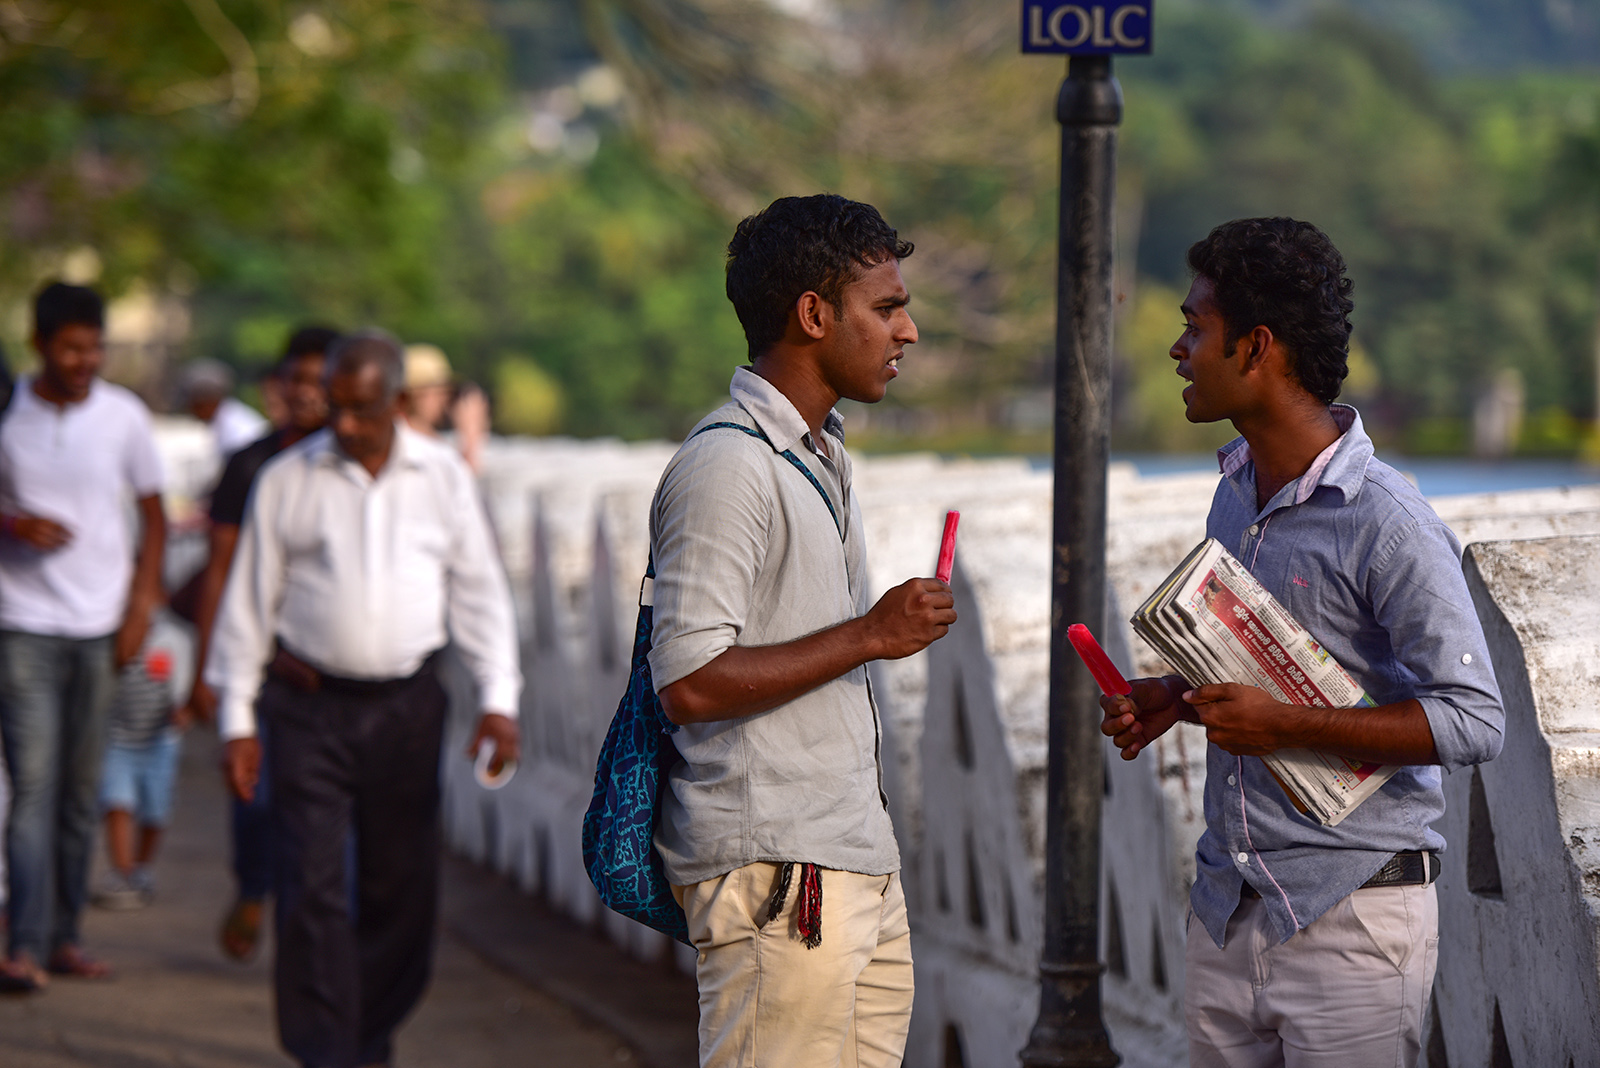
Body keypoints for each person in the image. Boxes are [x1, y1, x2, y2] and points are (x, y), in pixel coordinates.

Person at [1100, 217, 1505, 1067]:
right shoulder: (1236, 490)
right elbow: (1255, 656)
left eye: (1194, 327)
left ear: (1255, 348)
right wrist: (1171, 698)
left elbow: (1474, 720)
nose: (1178, 348)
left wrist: (1282, 725)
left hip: (1353, 915)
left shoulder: (1387, 520)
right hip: (1229, 902)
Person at [647, 194, 955, 1068]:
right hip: (780, 871)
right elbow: (691, 680)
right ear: (814, 316)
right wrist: (869, 634)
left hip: (844, 852)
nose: (909, 332)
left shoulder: (817, 452)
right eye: (887, 308)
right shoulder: (729, 463)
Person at [207, 330, 521, 1068]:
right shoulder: (288, 478)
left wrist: (498, 700)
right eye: (334, 408)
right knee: (310, 889)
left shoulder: (443, 476)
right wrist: (235, 721)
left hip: (407, 708)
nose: (343, 425)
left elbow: (480, 593)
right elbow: (249, 605)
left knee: (398, 888)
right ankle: (327, 1051)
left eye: (360, 409)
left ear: (398, 402)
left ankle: (367, 1033)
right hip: (308, 709)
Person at [0, 281, 166, 990]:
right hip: (23, 623)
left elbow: (156, 516)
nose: (85, 360)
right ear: (40, 344)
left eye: (95, 347)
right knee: (32, 786)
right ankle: (23, 943)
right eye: (71, 347)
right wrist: (10, 525)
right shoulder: (8, 414)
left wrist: (140, 605)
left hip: (101, 626)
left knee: (79, 789)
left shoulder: (123, 417)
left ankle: (67, 935)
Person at [180, 325, 337, 961]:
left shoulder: (356, 467)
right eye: (294, 380)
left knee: (323, 815)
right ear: (276, 387)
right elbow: (218, 569)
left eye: (317, 381)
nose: (304, 393)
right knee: (256, 793)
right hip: (262, 664)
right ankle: (253, 887)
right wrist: (206, 667)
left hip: (333, 672)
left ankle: (315, 928)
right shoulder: (250, 465)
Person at [91, 609, 193, 910]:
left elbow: (183, 688)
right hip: (117, 738)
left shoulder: (172, 637)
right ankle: (124, 873)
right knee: (116, 801)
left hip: (160, 740)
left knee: (155, 810)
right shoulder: (105, 632)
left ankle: (141, 868)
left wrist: (183, 708)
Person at [403, 343, 488, 474]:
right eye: (441, 391)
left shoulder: (412, 438)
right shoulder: (411, 442)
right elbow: (457, 485)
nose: (445, 399)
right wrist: (471, 435)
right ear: (416, 395)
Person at [181, 358, 270, 460]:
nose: (191, 411)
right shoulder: (224, 420)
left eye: (194, 404)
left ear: (206, 401)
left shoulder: (237, 429)